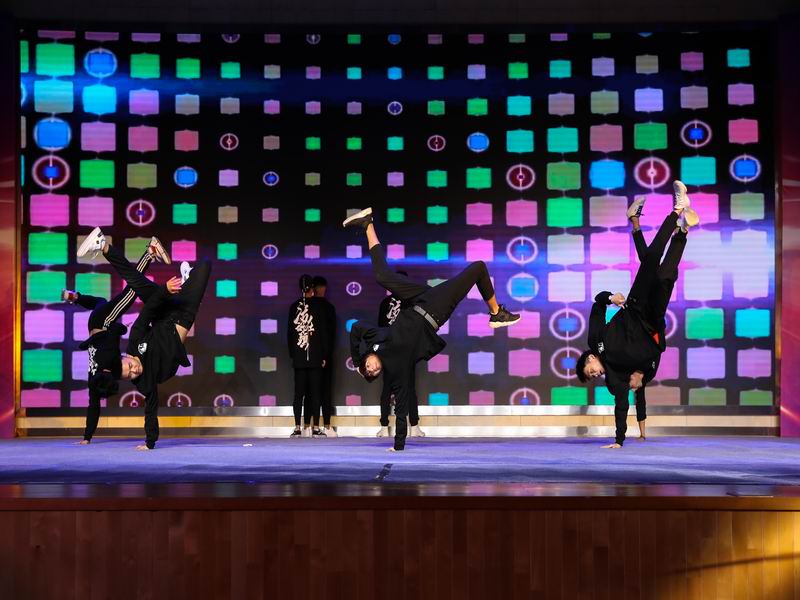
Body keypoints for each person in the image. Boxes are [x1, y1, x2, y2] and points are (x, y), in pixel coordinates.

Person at [344, 207, 521, 451]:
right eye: (372, 373)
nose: (372, 369)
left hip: (417, 299)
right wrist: (398, 445)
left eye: (367, 367)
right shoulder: (397, 368)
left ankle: (367, 224)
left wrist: (356, 361)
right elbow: (402, 404)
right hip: (434, 310)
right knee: (479, 268)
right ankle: (496, 313)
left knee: (382, 276)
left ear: (367, 359)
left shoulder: (377, 337)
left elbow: (356, 329)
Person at [575, 181, 699, 449]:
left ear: (589, 358)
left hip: (635, 305)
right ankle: (678, 231)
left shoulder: (595, 340)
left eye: (589, 371)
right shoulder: (615, 380)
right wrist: (619, 440)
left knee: (652, 258)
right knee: (665, 277)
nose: (593, 375)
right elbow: (622, 405)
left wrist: (610, 297)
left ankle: (677, 212)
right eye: (591, 377)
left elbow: (597, 305)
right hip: (652, 321)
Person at [76, 226, 212, 451]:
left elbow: (147, 311)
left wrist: (165, 291)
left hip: (161, 311)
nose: (134, 370)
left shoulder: (133, 343)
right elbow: (151, 409)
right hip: (183, 315)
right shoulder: (145, 383)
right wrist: (150, 443)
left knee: (135, 283)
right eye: (131, 375)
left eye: (129, 366)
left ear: (126, 356)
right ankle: (187, 281)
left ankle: (103, 245)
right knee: (205, 264)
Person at [65, 236, 170, 444]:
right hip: (95, 324)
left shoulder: (111, 359)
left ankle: (149, 251)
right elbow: (93, 405)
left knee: (131, 291)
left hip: (104, 323)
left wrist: (122, 329)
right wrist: (87, 437)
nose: (129, 371)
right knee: (103, 301)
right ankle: (76, 297)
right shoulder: (94, 378)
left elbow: (113, 333)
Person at [376, 273, 424, 439]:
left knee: (391, 388)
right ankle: (412, 426)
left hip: (393, 350)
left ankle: (388, 427)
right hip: (403, 351)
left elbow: (380, 329)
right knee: (405, 388)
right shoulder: (411, 301)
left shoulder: (390, 302)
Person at [287, 275, 331, 438]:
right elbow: (323, 332)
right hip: (315, 356)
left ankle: (298, 427)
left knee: (299, 394)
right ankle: (316, 427)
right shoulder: (319, 306)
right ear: (312, 288)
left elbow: (290, 334)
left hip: (299, 357)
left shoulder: (294, 307)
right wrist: (324, 354)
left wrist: (293, 354)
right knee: (315, 393)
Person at [312, 275, 337, 437]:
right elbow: (331, 334)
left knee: (314, 391)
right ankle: (325, 425)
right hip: (323, 355)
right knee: (323, 391)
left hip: (311, 355)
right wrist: (326, 355)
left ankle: (313, 426)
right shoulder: (328, 307)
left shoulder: (309, 307)